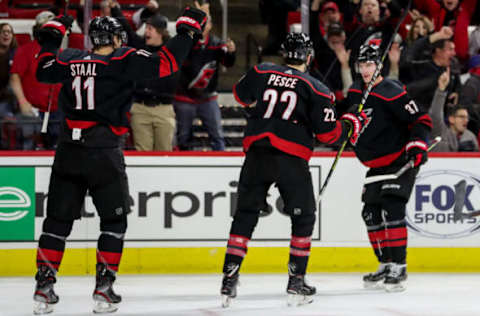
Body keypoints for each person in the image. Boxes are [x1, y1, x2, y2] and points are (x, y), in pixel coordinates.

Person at [32, 8, 206, 315]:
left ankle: (44, 288)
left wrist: (55, 30)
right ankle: (104, 288)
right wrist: (188, 30)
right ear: (113, 38)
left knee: (57, 222)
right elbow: (166, 62)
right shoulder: (121, 60)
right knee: (113, 221)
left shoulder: (70, 58)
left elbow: (43, 66)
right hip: (103, 151)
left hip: (68, 151)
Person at [220, 32, 367, 307]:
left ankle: (229, 278)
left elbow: (241, 96)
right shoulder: (317, 88)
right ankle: (296, 281)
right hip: (290, 158)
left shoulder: (262, 70)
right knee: (304, 217)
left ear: (284, 53)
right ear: (309, 57)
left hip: (257, 155)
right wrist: (350, 125)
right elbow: (327, 135)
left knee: (244, 215)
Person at [346, 42, 432, 292]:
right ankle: (385, 263)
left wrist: (417, 144)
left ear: (379, 65)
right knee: (370, 214)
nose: (365, 69)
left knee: (392, 208)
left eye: (369, 64)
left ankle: (399, 267)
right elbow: (351, 119)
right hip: (376, 164)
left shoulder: (390, 90)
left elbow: (420, 119)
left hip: (399, 160)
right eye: (361, 65)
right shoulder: (355, 92)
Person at [174, 11, 236, 151]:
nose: (203, 25)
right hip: (185, 96)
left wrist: (231, 52)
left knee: (217, 135)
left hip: (208, 97)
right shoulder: (187, 41)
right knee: (183, 136)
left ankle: (221, 163)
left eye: (206, 22)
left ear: (210, 26)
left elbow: (228, 63)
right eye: (201, 22)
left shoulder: (217, 44)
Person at [10, 11, 62, 150]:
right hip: (31, 109)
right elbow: (15, 78)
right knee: (28, 144)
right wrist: (22, 102)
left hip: (56, 110)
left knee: (59, 148)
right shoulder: (25, 50)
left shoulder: (60, 53)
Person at [430, 68, 479, 152]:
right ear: (451, 119)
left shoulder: (470, 136)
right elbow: (435, 114)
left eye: (467, 117)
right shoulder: (441, 132)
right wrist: (441, 90)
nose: (466, 120)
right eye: (462, 117)